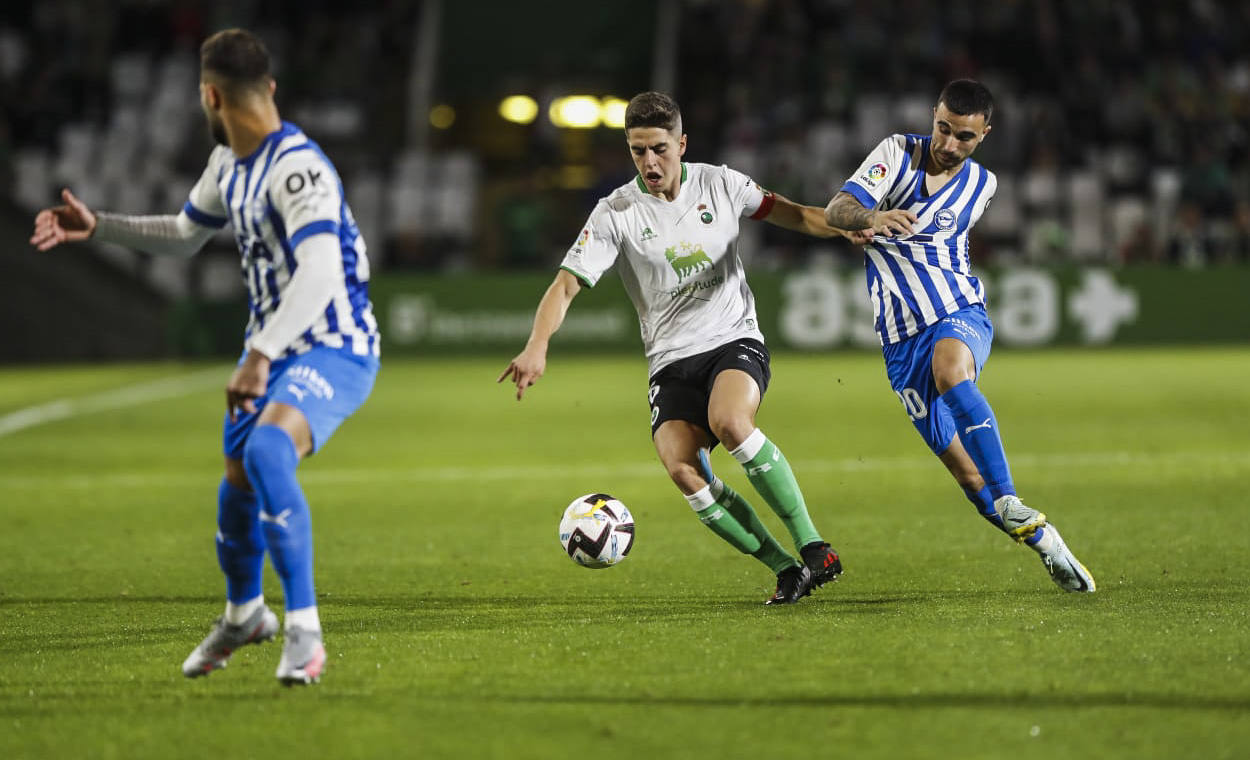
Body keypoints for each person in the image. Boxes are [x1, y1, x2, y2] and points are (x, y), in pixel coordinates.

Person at [30, 28, 381, 682]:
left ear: (210, 96)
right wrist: (101, 226)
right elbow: (189, 232)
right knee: (236, 488)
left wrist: (260, 352)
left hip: (335, 343)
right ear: (267, 89)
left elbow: (322, 273)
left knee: (269, 453)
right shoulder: (229, 164)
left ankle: (305, 633)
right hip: (271, 352)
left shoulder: (298, 169)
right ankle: (245, 613)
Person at [498, 91, 871, 605]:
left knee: (731, 422)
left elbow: (793, 214)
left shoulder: (722, 183)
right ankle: (786, 569)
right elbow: (565, 285)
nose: (649, 162)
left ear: (681, 143)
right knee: (683, 469)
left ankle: (814, 547)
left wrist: (848, 224)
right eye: (637, 151)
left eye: (658, 148)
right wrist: (536, 346)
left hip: (732, 339)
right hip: (670, 361)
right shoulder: (616, 212)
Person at [823, 79, 1095, 592]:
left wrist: (868, 229)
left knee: (951, 371)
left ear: (985, 134)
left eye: (964, 137)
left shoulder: (983, 186)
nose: (948, 145)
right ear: (933, 115)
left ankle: (1010, 493)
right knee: (971, 481)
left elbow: (937, 239)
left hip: (957, 309)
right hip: (900, 341)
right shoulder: (896, 153)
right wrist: (868, 217)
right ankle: (1044, 542)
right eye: (943, 129)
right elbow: (838, 209)